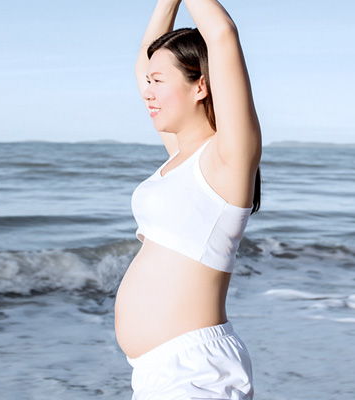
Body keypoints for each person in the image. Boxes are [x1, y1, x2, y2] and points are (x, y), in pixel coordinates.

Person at [114, 0, 262, 398]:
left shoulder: (225, 160)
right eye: (149, 82)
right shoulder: (181, 158)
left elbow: (222, 33)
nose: (148, 92)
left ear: (201, 85)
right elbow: (141, 67)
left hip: (196, 371)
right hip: (154, 372)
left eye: (159, 82)